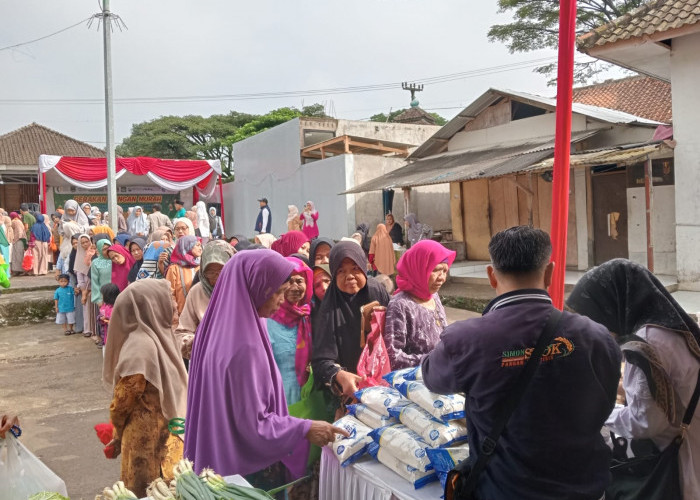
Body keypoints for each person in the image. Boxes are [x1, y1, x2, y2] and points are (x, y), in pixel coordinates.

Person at [421, 226, 621, 500]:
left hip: (505, 491)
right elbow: (605, 403)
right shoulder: (596, 337)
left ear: (492, 276)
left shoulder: (465, 340)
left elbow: (432, 377)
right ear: (549, 273)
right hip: (586, 490)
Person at [184, 249, 348, 485]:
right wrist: (305, 428)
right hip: (245, 472)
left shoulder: (214, 328)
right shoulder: (244, 345)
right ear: (257, 287)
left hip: (214, 458)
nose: (283, 300)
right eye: (278, 292)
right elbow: (254, 425)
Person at [567, 258, 700, 498]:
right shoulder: (669, 326)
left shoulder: (644, 344)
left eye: (593, 314)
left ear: (610, 304)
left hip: (679, 460)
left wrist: (601, 411)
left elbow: (645, 423)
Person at [103, 279, 188, 498]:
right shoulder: (141, 347)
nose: (175, 304)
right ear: (150, 305)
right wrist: (117, 429)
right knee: (152, 492)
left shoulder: (160, 336)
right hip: (149, 447)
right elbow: (123, 401)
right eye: (168, 298)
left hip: (166, 437)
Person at [311, 241, 390, 400]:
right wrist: (339, 375)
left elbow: (394, 333)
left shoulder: (376, 292)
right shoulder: (330, 305)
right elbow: (321, 361)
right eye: (341, 271)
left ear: (363, 266)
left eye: (355, 268)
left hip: (384, 383)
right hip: (349, 392)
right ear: (333, 273)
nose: (350, 276)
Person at [383, 240, 455, 370]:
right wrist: (433, 360)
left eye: (445, 271)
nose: (442, 278)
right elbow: (393, 358)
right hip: (417, 381)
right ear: (418, 268)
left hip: (442, 372)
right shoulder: (400, 305)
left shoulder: (433, 296)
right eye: (436, 270)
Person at [175, 240, 235, 360]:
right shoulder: (197, 292)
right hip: (206, 359)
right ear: (202, 272)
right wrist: (196, 343)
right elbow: (181, 333)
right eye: (211, 273)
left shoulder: (242, 290)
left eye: (222, 272)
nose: (217, 278)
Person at [266, 257, 313, 405]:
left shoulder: (312, 314)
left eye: (299, 281)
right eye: (288, 281)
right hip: (280, 397)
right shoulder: (268, 318)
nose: (293, 287)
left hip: (310, 397)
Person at [164, 235, 201, 314]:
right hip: (181, 315)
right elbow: (169, 293)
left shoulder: (201, 266)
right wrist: (174, 312)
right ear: (187, 247)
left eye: (200, 245)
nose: (200, 248)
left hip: (200, 314)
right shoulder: (174, 269)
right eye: (197, 245)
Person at [98, 283, 120, 349]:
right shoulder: (104, 306)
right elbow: (100, 316)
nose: (101, 297)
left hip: (115, 336)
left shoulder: (117, 307)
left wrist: (113, 322)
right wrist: (101, 318)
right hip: (105, 335)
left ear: (108, 296)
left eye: (102, 295)